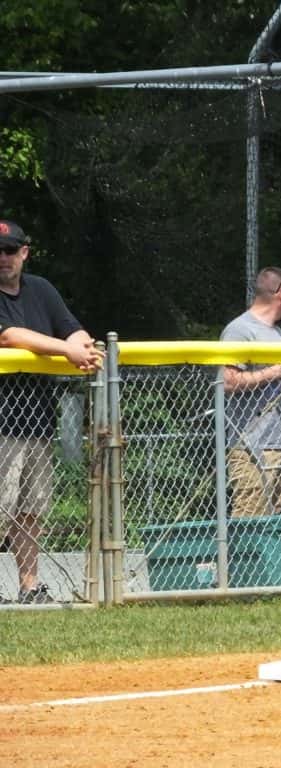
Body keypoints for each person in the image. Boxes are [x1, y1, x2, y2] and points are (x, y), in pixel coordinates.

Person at [0, 219, 104, 604]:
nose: (3, 258)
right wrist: (67, 350)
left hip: (38, 420)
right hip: (2, 422)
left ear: (24, 252)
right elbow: (10, 336)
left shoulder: (41, 289)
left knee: (31, 509)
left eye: (10, 250)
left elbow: (71, 328)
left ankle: (30, 587)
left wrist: (83, 346)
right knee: (1, 506)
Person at [220, 266, 281, 518]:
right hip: (252, 447)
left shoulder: (278, 333)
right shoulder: (240, 330)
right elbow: (227, 381)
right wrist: (272, 372)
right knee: (251, 520)